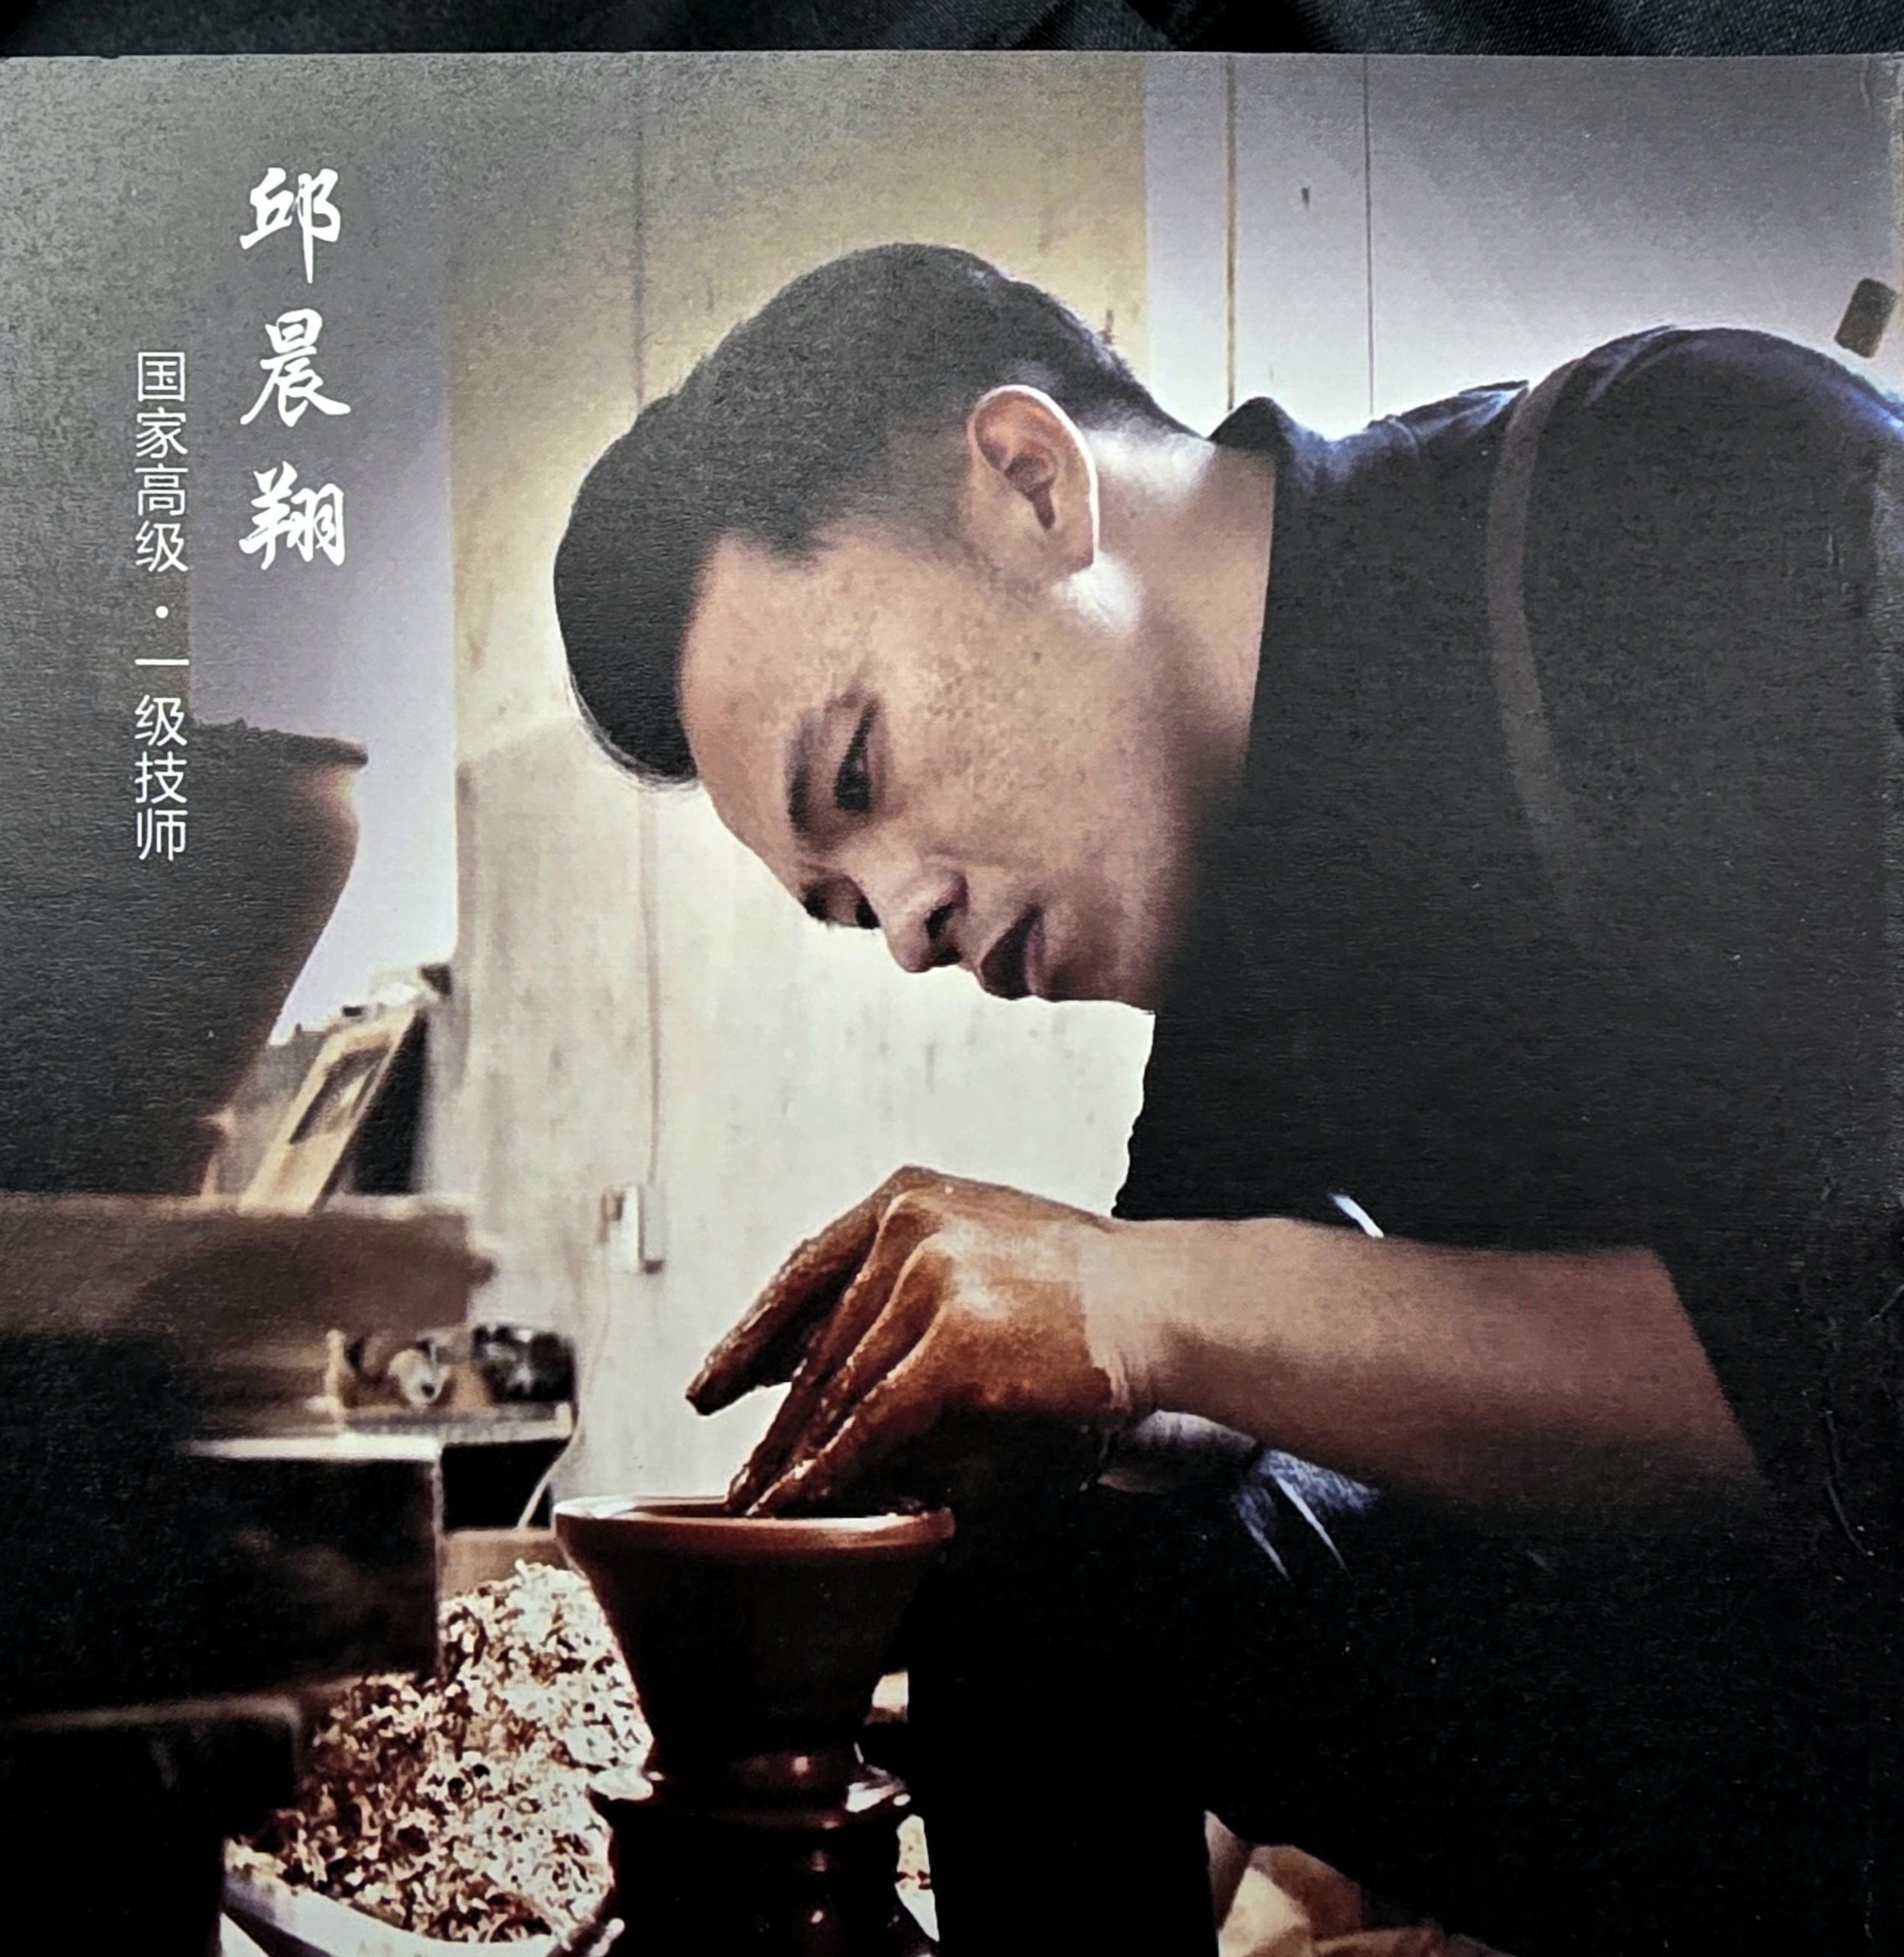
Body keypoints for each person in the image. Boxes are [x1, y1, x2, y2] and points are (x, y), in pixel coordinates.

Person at [554, 243, 1904, 1953]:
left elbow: (1857, 1380)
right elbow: (1195, 1427)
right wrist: (1106, 1405)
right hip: (1749, 1728)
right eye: (840, 906)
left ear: (1030, 483)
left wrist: (1146, 1307)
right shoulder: (1240, 917)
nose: (902, 927)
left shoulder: (1682, 490)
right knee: (1045, 1543)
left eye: (862, 773)